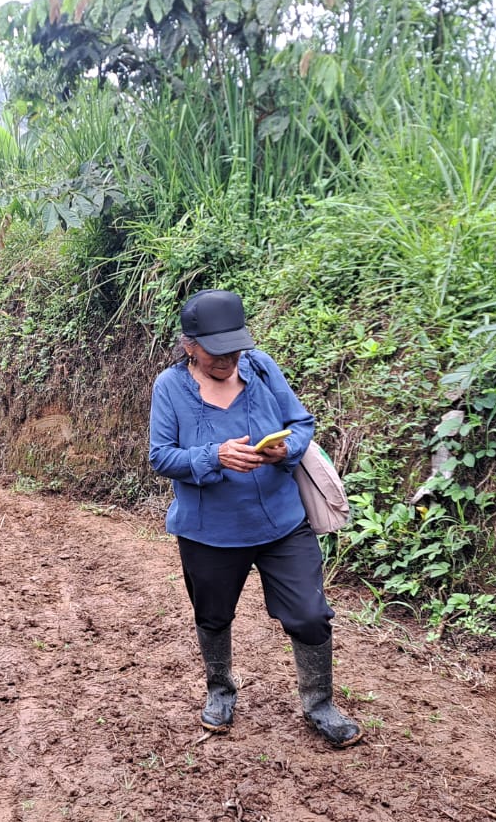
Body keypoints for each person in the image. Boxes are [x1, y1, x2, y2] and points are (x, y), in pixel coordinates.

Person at [148, 289, 362, 747]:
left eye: (235, 349)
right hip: (210, 532)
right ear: (189, 345)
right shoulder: (169, 387)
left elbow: (301, 423)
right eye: (217, 351)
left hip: (282, 523)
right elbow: (161, 456)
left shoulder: (261, 367)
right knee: (212, 615)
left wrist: (288, 448)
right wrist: (214, 456)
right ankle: (220, 691)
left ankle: (320, 704)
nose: (229, 360)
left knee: (309, 614)